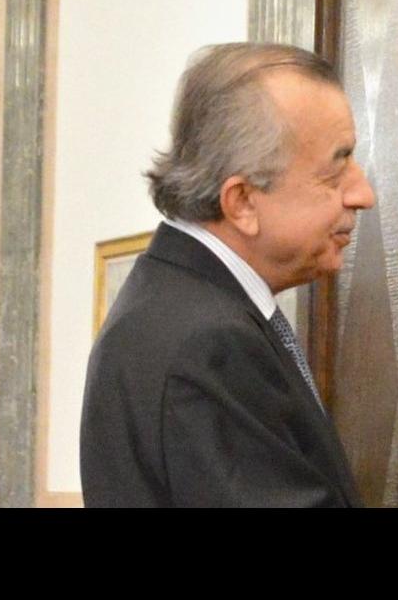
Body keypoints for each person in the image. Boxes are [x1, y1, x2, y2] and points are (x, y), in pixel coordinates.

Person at [80, 42, 375, 507]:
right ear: (242, 202)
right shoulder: (207, 342)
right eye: (335, 170)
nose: (363, 194)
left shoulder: (176, 304)